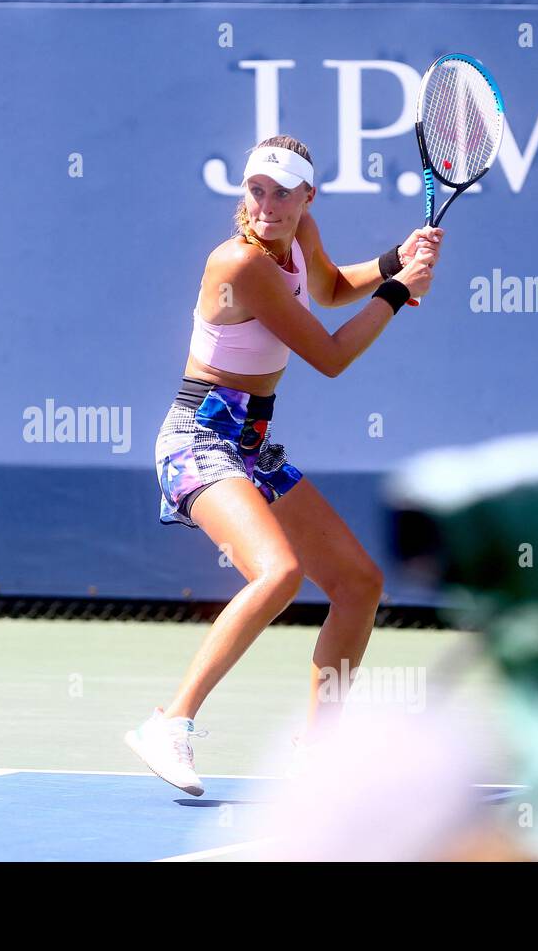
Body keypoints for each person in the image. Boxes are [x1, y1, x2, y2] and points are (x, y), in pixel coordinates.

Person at [125, 136, 442, 795]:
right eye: (255, 190)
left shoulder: (297, 238)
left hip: (251, 444)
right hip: (196, 439)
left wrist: (392, 261)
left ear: (307, 198)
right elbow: (329, 355)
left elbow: (326, 289)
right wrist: (396, 293)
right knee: (280, 572)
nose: (265, 205)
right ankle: (170, 723)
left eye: (280, 193)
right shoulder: (240, 264)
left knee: (358, 585)